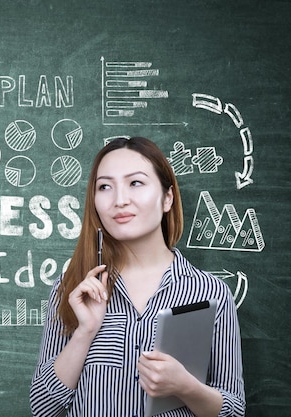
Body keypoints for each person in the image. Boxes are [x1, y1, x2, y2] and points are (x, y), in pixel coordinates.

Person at [29, 137, 245, 417]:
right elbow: (43, 409)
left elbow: (234, 410)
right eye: (105, 186)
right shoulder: (74, 288)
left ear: (167, 198)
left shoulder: (210, 293)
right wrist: (85, 332)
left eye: (135, 183)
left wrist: (186, 386)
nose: (120, 200)